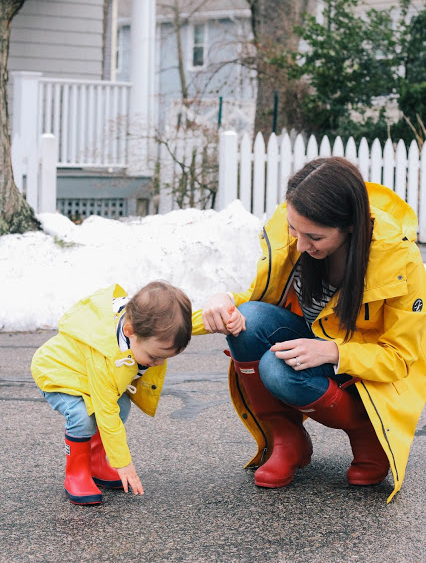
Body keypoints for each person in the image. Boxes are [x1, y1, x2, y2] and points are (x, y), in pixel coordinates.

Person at [192, 157, 426, 503]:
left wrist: (334, 351)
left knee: (277, 368)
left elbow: (401, 357)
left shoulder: (400, 261)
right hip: (313, 346)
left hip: (361, 374)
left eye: (314, 236)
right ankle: (287, 438)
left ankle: (364, 430)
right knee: (246, 320)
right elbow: (262, 299)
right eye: (294, 231)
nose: (300, 245)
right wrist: (221, 301)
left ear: (350, 227)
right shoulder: (294, 233)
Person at [31, 280, 192, 505]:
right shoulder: (106, 356)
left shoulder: (142, 324)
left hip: (84, 374)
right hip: (57, 372)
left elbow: (179, 321)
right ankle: (76, 474)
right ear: (130, 332)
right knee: (83, 416)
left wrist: (218, 319)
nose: (158, 363)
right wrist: (123, 462)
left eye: (165, 358)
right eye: (154, 356)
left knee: (123, 405)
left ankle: (97, 463)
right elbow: (106, 411)